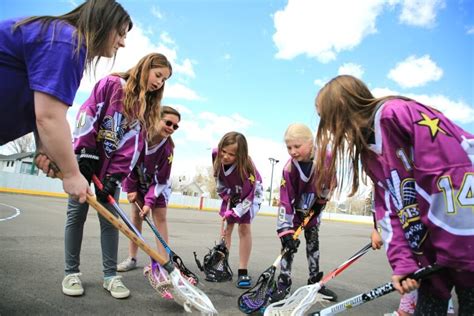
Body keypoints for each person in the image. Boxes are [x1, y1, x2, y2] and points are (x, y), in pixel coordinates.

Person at [314, 74, 474, 315]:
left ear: (342, 107)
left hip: (464, 243)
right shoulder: (369, 153)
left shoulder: (394, 114)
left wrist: (456, 247)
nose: (327, 126)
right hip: (434, 254)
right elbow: (388, 208)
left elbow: (448, 175)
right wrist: (404, 263)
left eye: (326, 117)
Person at [62, 53, 172, 299]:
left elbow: (132, 145)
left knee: (110, 223)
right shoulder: (112, 85)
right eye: (158, 75)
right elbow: (88, 111)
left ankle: (110, 276)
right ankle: (71, 272)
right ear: (145, 66)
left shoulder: (145, 108)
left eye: (164, 80)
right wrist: (86, 150)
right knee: (76, 215)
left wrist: (114, 176)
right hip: (84, 162)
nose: (159, 82)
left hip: (108, 172)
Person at [0, 0, 132, 203]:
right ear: (102, 23)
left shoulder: (62, 39)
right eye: (121, 33)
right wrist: (71, 173)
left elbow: (40, 109)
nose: (123, 43)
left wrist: (43, 147)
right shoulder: (67, 41)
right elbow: (49, 117)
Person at [269, 123, 337, 303]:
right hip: (294, 215)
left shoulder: (326, 159)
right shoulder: (289, 169)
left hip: (313, 211)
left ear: (311, 142)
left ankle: (315, 282)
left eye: (297, 146)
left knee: (313, 245)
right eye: (289, 147)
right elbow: (285, 200)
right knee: (288, 248)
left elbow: (331, 181)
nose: (292, 151)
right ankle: (283, 283)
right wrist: (286, 232)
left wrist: (322, 201)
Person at [117, 106, 181, 273]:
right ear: (155, 118)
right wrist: (131, 189)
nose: (171, 128)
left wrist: (149, 201)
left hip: (157, 188)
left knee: (160, 219)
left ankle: (164, 262)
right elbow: (129, 162)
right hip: (137, 184)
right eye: (168, 123)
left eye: (175, 126)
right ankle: (132, 257)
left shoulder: (168, 149)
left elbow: (161, 180)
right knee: (135, 218)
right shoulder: (139, 136)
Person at [212, 131, 263, 288]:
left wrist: (236, 210)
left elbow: (249, 195)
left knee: (244, 228)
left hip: (250, 193)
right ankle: (221, 266)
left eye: (231, 154)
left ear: (240, 156)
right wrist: (226, 197)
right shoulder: (216, 154)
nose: (226, 156)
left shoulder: (247, 167)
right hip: (231, 191)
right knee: (226, 228)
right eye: (224, 151)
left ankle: (242, 270)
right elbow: (218, 178)